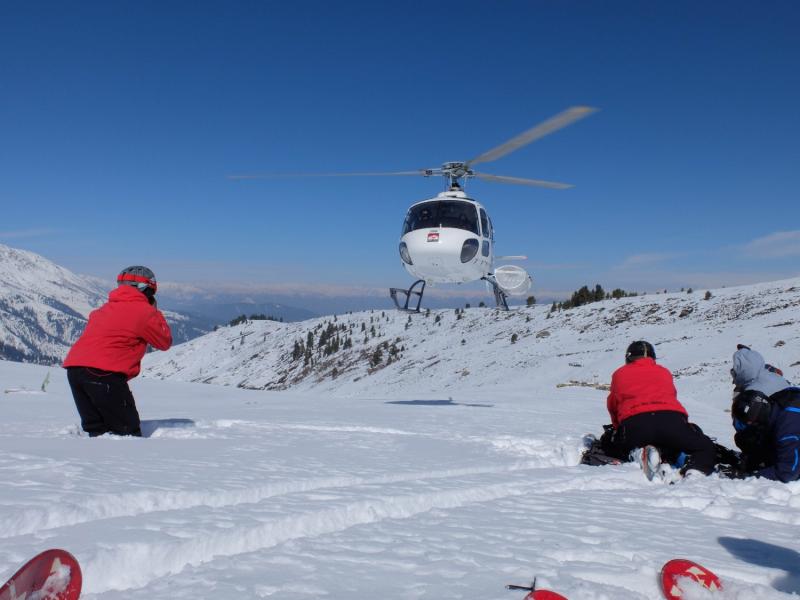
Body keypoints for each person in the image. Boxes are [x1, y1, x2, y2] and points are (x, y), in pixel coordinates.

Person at [63, 266, 172, 436]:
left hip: (75, 371)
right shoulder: (144, 312)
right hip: (104, 375)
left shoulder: (102, 310)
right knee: (127, 433)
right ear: (148, 290)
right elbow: (164, 341)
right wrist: (155, 312)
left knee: (97, 431)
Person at [601, 340, 716, 475]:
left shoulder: (619, 374)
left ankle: (637, 454)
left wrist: (618, 428)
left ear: (628, 357)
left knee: (610, 444)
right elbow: (671, 398)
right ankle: (694, 471)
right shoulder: (664, 372)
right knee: (704, 446)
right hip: (671, 422)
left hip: (636, 424)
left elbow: (613, 405)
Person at [729, 345, 800, 482]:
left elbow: (786, 473)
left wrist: (752, 477)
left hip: (787, 432)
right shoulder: (771, 376)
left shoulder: (752, 391)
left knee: (746, 437)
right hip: (784, 423)